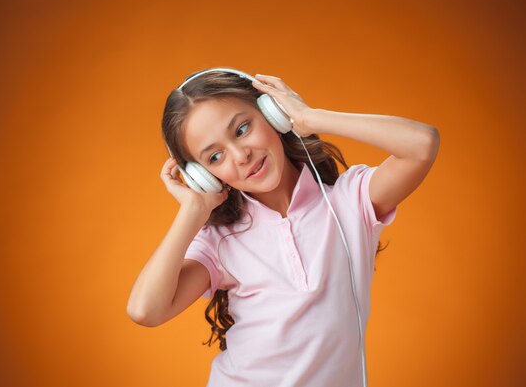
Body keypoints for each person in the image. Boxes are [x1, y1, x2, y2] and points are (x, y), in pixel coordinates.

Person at [127, 68, 440, 386]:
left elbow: (422, 144)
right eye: (216, 156)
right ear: (203, 176)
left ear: (272, 114)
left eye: (242, 129)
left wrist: (309, 117)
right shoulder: (220, 242)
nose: (240, 155)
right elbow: (145, 310)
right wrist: (192, 211)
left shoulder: (350, 200)